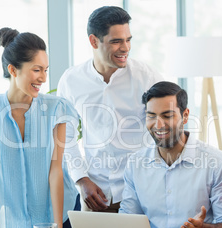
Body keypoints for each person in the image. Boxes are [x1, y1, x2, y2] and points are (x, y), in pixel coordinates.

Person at [0, 27, 80, 228]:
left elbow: (56, 171)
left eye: (46, 70)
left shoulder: (57, 108)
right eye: (37, 70)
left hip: (61, 220)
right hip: (12, 226)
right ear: (13, 69)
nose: (43, 78)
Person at [57, 6, 162, 212]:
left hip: (140, 190)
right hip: (95, 193)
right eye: (116, 41)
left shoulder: (146, 76)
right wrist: (81, 179)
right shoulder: (71, 80)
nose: (125, 48)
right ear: (94, 41)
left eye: (128, 40)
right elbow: (66, 137)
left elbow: (166, 127)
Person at [119, 81, 222, 228]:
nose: (158, 125)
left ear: (185, 115)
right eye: (151, 115)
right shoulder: (135, 164)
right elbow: (128, 220)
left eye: (167, 116)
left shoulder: (218, 164)